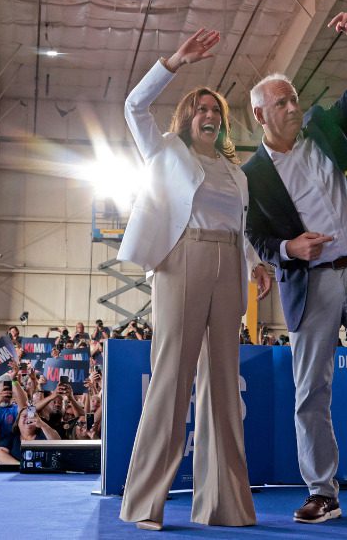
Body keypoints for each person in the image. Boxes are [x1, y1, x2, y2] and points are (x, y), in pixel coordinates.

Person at [243, 12, 347, 527]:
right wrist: (288, 248)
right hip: (310, 283)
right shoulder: (252, 175)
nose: (293, 107)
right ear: (259, 115)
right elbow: (256, 236)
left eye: (294, 99)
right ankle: (323, 492)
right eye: (282, 103)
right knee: (310, 393)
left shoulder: (323, 126)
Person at [116, 28, 271, 531]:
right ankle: (145, 504)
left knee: (224, 384)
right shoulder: (164, 151)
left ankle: (224, 506)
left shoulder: (235, 172)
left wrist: (255, 262)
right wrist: (174, 62)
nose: (210, 115)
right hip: (181, 260)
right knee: (172, 377)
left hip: (230, 265)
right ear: (187, 117)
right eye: (201, 109)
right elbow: (134, 106)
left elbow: (238, 225)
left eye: (216, 111)